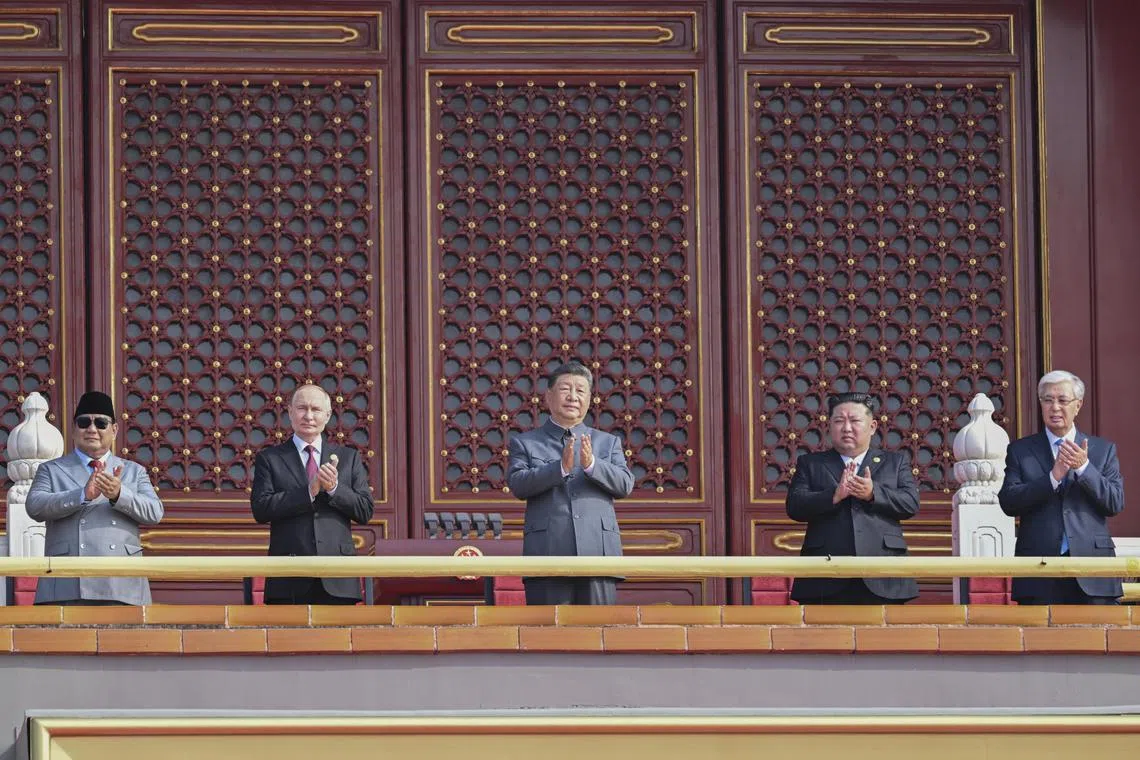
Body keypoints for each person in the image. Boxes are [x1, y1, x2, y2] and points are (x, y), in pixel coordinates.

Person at [507, 361, 635, 605]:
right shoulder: (526, 443)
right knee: (549, 636)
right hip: (547, 553)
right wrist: (560, 469)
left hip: (598, 555)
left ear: (589, 398)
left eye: (580, 390)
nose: (573, 397)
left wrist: (591, 465)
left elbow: (625, 484)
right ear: (549, 396)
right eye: (566, 389)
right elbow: (518, 484)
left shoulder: (608, 443)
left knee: (599, 634)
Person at [25, 391, 164, 605]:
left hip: (121, 584)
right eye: (84, 422)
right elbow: (35, 506)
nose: (92, 429)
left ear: (114, 430)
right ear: (73, 429)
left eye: (101, 423)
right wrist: (81, 495)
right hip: (66, 583)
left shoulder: (133, 471)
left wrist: (119, 495)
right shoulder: (51, 470)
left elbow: (154, 512)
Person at [998, 370, 1125, 604]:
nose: (1054, 407)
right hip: (1039, 569)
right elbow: (1008, 501)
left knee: (1097, 640)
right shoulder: (1021, 450)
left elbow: (1115, 502)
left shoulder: (1102, 450)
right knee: (1042, 641)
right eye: (1047, 400)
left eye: (1062, 400)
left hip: (1093, 567)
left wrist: (1084, 468)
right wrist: (1052, 478)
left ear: (1078, 405)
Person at [785, 391, 920, 604]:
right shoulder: (810, 464)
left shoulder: (895, 462)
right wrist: (833, 496)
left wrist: (873, 493)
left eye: (855, 421)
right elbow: (795, 506)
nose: (847, 428)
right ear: (830, 426)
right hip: (825, 574)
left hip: (883, 572)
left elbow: (910, 503)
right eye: (839, 421)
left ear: (873, 426)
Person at [251, 383, 374, 604]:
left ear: (327, 416)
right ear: (289, 412)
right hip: (289, 574)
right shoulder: (270, 458)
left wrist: (335, 488)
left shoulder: (348, 457)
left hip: (338, 576)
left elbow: (365, 510)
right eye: (301, 408)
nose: (308, 416)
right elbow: (261, 508)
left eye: (316, 410)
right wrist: (309, 491)